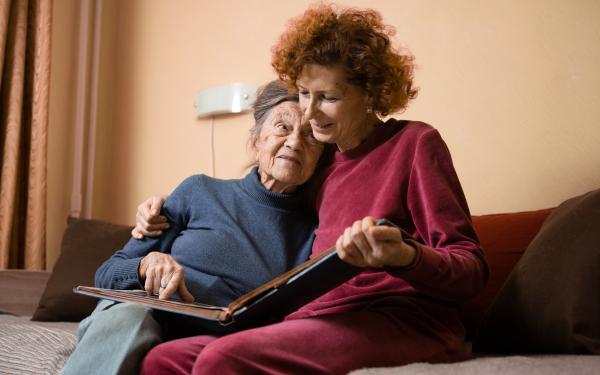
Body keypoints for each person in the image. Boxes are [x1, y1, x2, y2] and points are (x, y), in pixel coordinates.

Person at [138, 4, 489, 374]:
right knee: (165, 358)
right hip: (318, 319)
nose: (309, 112)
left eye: (328, 98)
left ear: (370, 93)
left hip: (404, 321)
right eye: (304, 93)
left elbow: (471, 269)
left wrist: (405, 255)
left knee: (221, 359)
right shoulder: (323, 168)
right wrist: (162, 209)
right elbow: (263, 199)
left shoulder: (415, 144)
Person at [59, 80, 325, 375]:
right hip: (144, 315)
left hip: (213, 341)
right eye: (283, 127)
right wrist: (145, 265)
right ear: (257, 140)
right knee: (130, 317)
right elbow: (105, 276)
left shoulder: (315, 232)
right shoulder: (199, 191)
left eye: (310, 136)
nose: (295, 142)